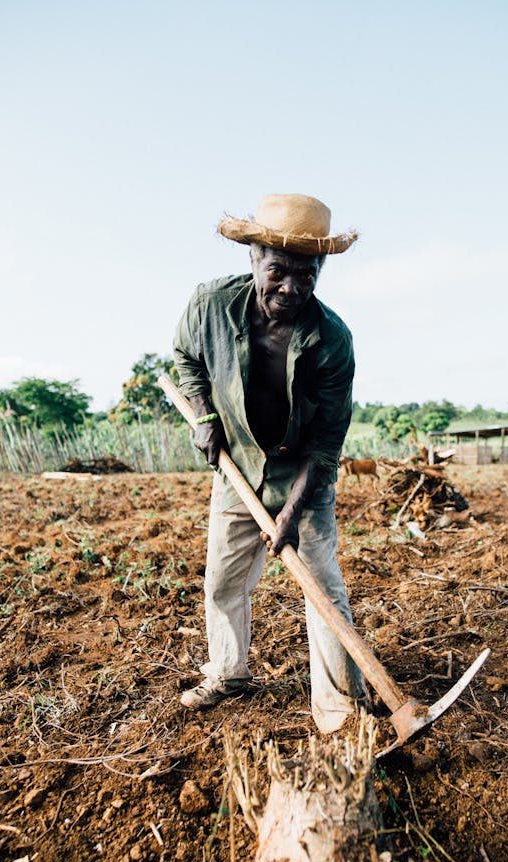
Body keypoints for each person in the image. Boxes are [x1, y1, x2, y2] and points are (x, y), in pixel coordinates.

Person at [173, 193, 366, 734]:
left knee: (322, 587)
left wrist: (292, 512)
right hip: (238, 465)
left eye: (306, 276)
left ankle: (337, 709)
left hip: (303, 472)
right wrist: (204, 415)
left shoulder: (332, 341)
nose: (291, 288)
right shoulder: (208, 305)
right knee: (223, 579)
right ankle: (228, 673)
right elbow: (184, 356)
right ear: (253, 260)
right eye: (277, 270)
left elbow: (327, 443)